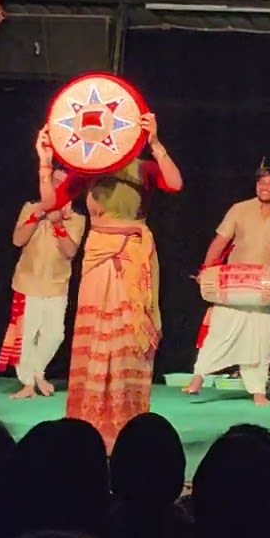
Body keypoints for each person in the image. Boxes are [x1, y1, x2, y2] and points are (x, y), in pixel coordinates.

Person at [34, 112, 182, 450]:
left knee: (128, 337)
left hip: (131, 254)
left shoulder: (142, 168)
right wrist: (45, 162)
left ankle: (128, 425)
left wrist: (155, 143)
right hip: (97, 257)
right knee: (97, 334)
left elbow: (174, 183)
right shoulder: (88, 171)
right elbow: (49, 202)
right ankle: (88, 427)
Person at [185, 160, 270, 405]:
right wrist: (206, 269)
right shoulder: (239, 209)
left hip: (264, 286)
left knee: (259, 338)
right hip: (234, 283)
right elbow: (220, 241)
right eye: (261, 182)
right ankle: (198, 378)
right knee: (219, 330)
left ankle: (258, 391)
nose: (264, 187)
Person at [0, 168, 85, 399]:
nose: (56, 188)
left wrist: (58, 225)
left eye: (62, 185)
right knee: (26, 335)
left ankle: (37, 373)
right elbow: (18, 240)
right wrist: (39, 215)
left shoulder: (76, 219)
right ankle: (28, 383)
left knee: (55, 335)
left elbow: (70, 252)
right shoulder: (30, 208)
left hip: (57, 285)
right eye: (53, 182)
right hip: (28, 282)